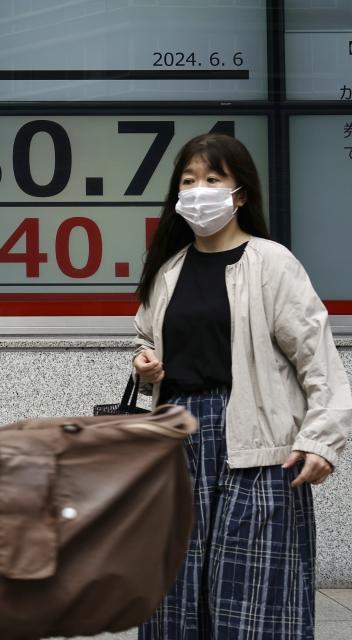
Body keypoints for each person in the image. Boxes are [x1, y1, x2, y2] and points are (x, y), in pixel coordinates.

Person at [132, 132, 351, 639]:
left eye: (212, 179)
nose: (198, 191)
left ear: (240, 195)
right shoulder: (168, 270)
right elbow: (148, 337)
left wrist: (321, 440)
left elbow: (318, 360)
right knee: (173, 592)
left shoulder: (271, 263)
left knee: (251, 595)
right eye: (188, 181)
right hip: (177, 440)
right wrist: (146, 365)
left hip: (257, 439)